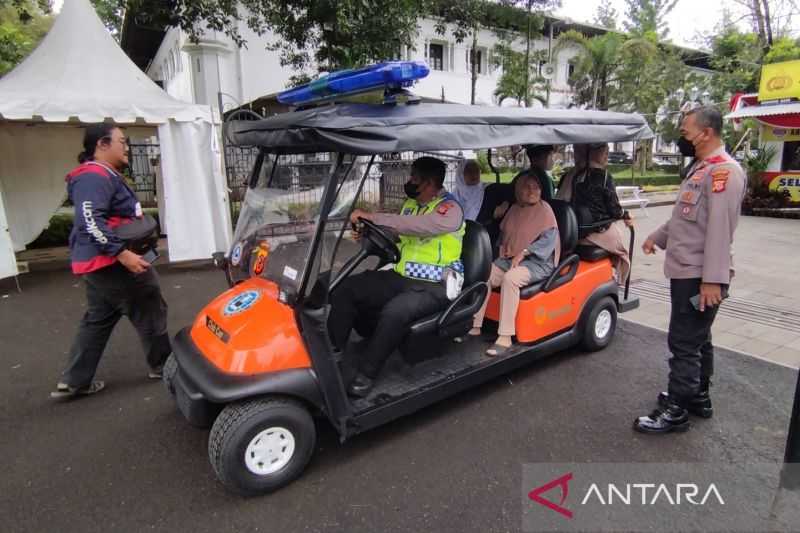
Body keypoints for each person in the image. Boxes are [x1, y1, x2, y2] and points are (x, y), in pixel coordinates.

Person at [634, 106, 746, 434]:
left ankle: (676, 410)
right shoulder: (701, 168)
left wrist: (713, 279)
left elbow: (719, 231)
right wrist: (658, 236)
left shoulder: (724, 172)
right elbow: (686, 217)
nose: (683, 137)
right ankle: (698, 395)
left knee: (683, 341)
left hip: (700, 275)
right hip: (688, 270)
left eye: (686, 132)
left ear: (706, 133)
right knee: (699, 338)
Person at [328, 156, 465, 398]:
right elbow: (400, 233)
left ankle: (366, 374)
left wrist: (374, 217)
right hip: (402, 276)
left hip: (436, 284)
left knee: (396, 311)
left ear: (430, 182)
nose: (409, 181)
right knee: (346, 287)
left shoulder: (450, 210)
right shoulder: (410, 205)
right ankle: (332, 355)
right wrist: (369, 232)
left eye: (414, 178)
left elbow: (419, 226)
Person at [51, 124, 171, 399]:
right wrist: (123, 254)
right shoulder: (94, 176)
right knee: (150, 306)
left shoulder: (100, 175)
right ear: (102, 145)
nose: (126, 147)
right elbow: (90, 220)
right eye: (121, 141)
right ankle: (164, 365)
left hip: (99, 267)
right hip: (113, 264)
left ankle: (75, 380)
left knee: (98, 319)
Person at [468, 173, 560, 356]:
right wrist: (503, 249)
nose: (533, 191)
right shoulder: (515, 209)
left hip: (538, 262)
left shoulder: (545, 211)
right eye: (527, 187)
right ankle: (475, 324)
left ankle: (505, 336)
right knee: (485, 273)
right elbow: (505, 234)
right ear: (517, 191)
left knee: (510, 279)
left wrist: (524, 253)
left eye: (536, 187)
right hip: (510, 258)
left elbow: (548, 242)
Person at [557, 142, 633, 285]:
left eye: (607, 150)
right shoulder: (603, 176)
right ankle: (618, 281)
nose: (607, 154)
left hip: (571, 231)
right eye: (603, 151)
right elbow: (615, 210)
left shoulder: (569, 175)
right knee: (622, 250)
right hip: (592, 231)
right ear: (591, 152)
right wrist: (626, 215)